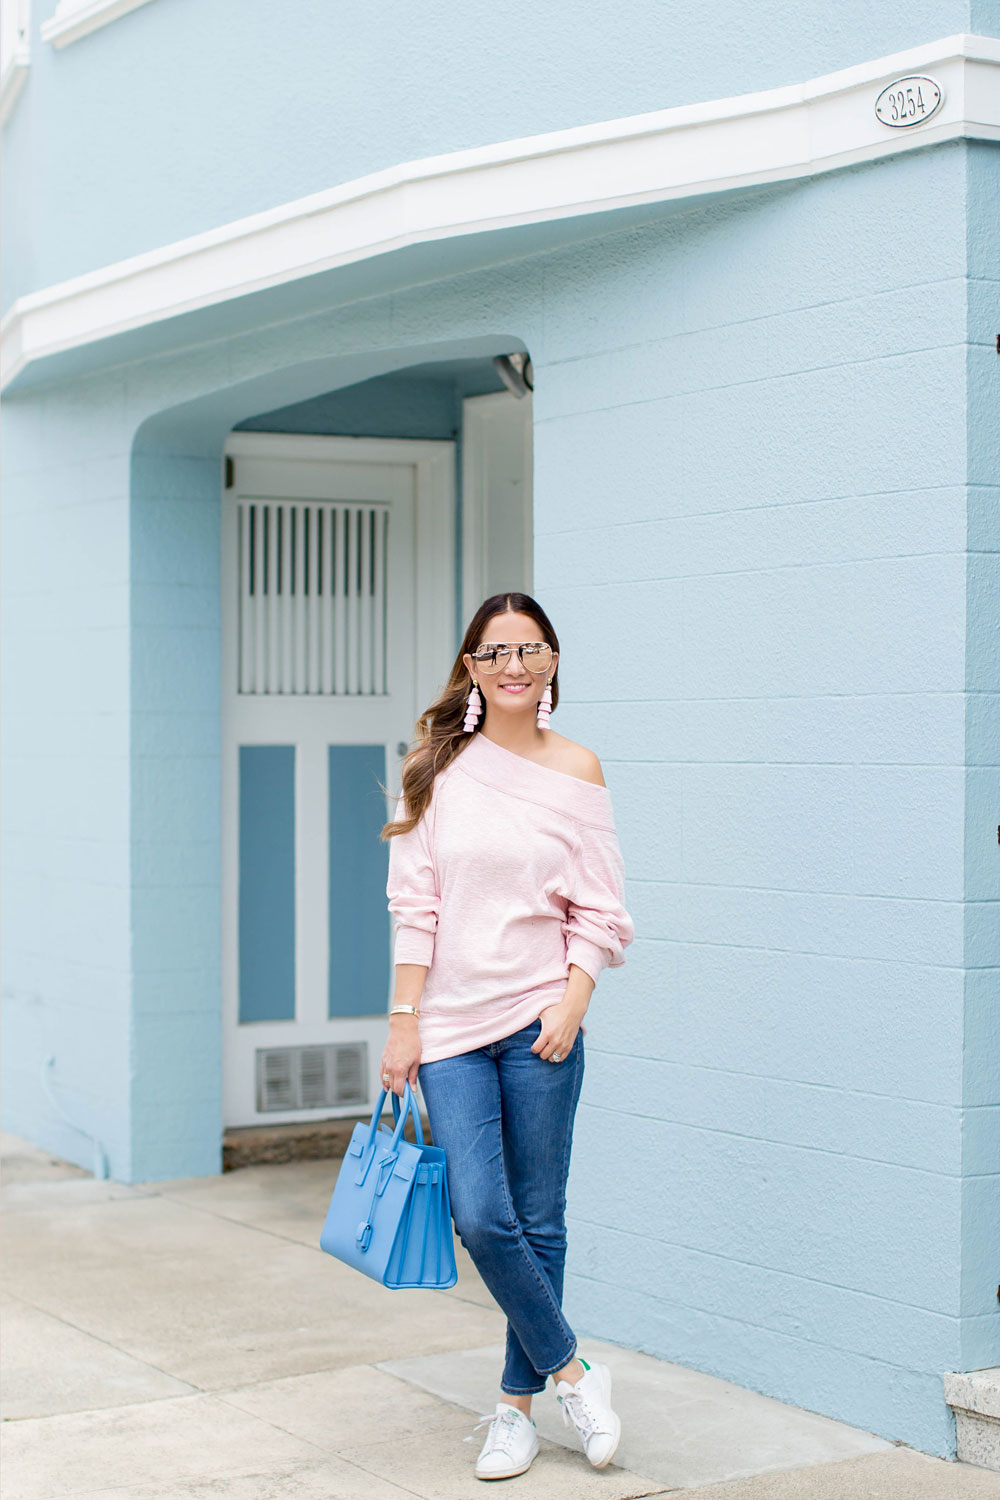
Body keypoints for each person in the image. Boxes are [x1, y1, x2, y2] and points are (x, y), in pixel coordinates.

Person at [380, 591, 635, 1481]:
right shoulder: (436, 771)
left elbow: (600, 909)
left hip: (541, 1023)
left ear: (553, 661)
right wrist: (403, 1021)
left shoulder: (578, 770)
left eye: (529, 650)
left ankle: (514, 1413)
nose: (514, 666)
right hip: (449, 1026)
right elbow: (416, 908)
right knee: (481, 1216)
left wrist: (574, 1001)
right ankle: (576, 1369)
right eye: (495, 653)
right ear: (471, 668)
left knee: (540, 1220)